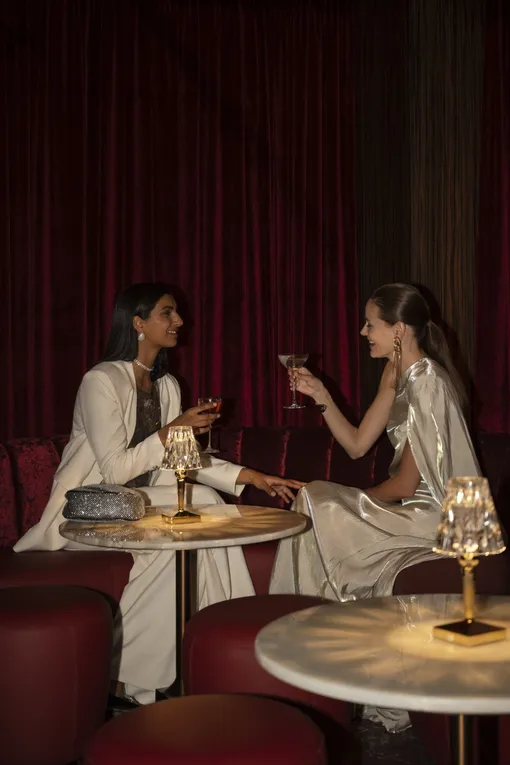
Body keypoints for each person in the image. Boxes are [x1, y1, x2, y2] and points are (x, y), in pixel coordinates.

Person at [15, 282, 303, 704]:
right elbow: (115, 468)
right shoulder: (100, 381)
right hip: (96, 509)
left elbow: (179, 459)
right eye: (167, 313)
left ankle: (217, 647)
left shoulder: (166, 386)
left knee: (208, 508)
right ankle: (124, 675)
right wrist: (173, 429)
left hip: (144, 503)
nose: (179, 321)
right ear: (138, 322)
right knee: (177, 544)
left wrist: (253, 477)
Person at [269, 283, 480, 732]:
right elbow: (356, 445)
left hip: (435, 517)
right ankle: (316, 666)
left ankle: (308, 662)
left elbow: (407, 484)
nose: (363, 332)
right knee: (317, 500)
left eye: (370, 324)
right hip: (408, 507)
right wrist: (321, 395)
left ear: (398, 329)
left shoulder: (427, 381)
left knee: (318, 501)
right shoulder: (395, 372)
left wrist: (351, 502)